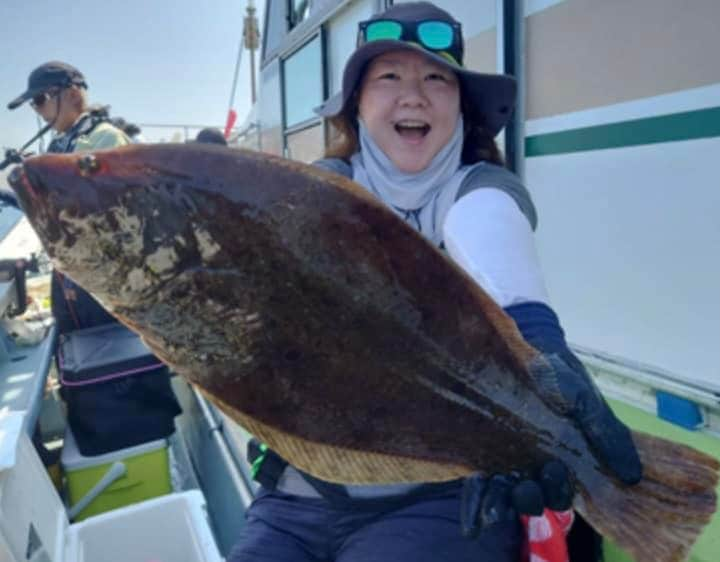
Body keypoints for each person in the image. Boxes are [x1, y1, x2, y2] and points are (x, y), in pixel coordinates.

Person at [228, 3, 641, 562]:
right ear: (357, 108)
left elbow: (490, 239)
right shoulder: (325, 191)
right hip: (298, 496)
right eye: (389, 78)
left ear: (462, 107)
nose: (413, 95)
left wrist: (538, 342)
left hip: (440, 497)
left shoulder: (480, 189)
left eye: (436, 79)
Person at [7, 61, 132, 336]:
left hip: (107, 285)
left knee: (115, 363)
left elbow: (120, 218)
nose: (38, 110)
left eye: (40, 100)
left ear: (73, 95)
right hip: (73, 278)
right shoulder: (61, 145)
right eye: (33, 105)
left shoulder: (104, 140)